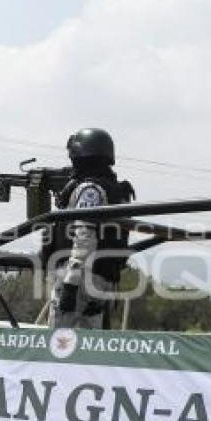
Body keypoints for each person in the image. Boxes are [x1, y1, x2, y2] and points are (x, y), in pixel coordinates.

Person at [46, 128, 135, 329]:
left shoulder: (90, 190)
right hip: (102, 279)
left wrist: (71, 283)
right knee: (88, 346)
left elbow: (85, 237)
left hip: (81, 280)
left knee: (59, 343)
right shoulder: (117, 191)